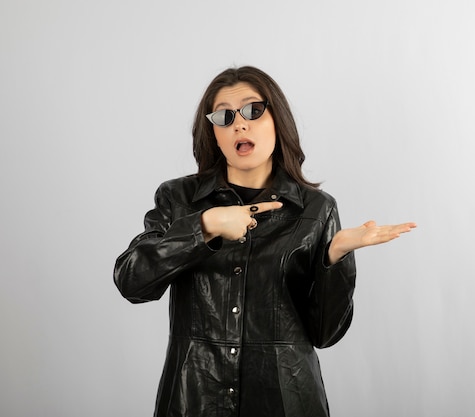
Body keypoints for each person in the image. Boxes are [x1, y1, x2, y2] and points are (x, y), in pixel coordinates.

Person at [114, 66, 416, 417]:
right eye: (224, 116)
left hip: (285, 401)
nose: (239, 123)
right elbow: (131, 280)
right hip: (193, 400)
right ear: (213, 132)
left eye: (252, 110)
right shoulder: (178, 199)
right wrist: (204, 226)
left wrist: (334, 258)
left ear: (277, 119)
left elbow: (324, 334)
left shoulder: (316, 209)